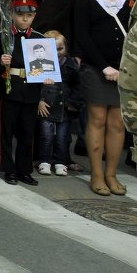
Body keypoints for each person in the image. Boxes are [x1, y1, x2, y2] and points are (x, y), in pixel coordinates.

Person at [74, 0, 132, 197]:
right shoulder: (86, 1)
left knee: (118, 123)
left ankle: (111, 174)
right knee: (97, 119)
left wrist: (124, 68)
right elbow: (82, 36)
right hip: (96, 69)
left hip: (127, 71)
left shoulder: (133, 0)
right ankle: (97, 174)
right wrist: (104, 67)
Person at [0, 0, 48, 185]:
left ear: (35, 15)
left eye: (29, 15)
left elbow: (45, 65)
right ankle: (8, 169)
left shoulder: (40, 38)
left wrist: (47, 78)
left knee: (27, 133)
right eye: (20, 14)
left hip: (31, 91)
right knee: (7, 131)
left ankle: (24, 170)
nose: (24, 19)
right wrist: (0, 61)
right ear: (12, 13)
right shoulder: (3, 36)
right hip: (11, 89)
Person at [36, 30, 80, 176]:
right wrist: (39, 101)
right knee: (45, 136)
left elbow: (77, 85)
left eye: (60, 48)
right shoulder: (39, 64)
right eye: (52, 49)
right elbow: (35, 85)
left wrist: (73, 103)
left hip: (65, 108)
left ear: (66, 47)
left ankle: (61, 162)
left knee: (63, 138)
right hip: (46, 106)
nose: (57, 52)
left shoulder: (71, 64)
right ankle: (44, 161)